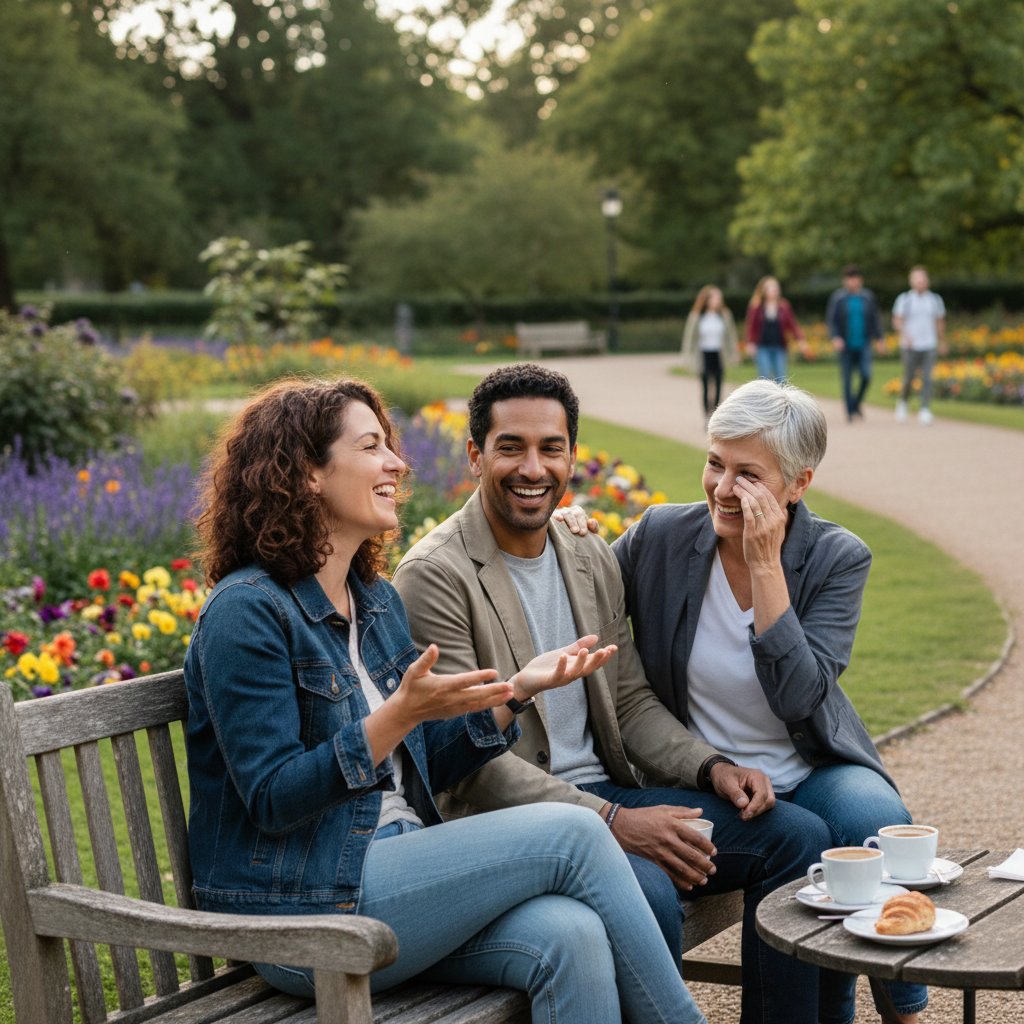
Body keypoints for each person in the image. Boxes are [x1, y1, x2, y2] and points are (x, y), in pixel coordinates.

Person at [183, 376, 706, 1024]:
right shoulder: (247, 612)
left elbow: (428, 757)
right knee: (575, 835)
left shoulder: (372, 600)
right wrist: (394, 716)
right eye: (372, 447)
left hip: (399, 872)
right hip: (304, 908)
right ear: (308, 473)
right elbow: (271, 795)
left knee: (570, 936)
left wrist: (516, 691)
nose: (397, 463)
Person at [393, 363, 835, 1024]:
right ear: (475, 454)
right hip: (515, 824)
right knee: (651, 891)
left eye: (551, 447)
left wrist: (711, 768)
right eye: (510, 447)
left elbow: (628, 702)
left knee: (797, 839)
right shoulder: (435, 576)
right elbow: (472, 762)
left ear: (573, 453)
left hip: (613, 790)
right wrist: (613, 826)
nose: (532, 468)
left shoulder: (586, 554)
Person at [608, 377, 927, 1024]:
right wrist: (570, 531)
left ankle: (905, 1008)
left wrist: (766, 567)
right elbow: (579, 582)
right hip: (701, 777)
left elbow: (799, 696)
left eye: (747, 474)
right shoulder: (659, 537)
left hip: (811, 767)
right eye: (714, 463)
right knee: (802, 848)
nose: (722, 489)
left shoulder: (837, 557)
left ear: (798, 483)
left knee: (873, 820)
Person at [825, 265, 885, 422]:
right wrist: (836, 337)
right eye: (849, 278)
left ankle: (856, 402)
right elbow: (832, 321)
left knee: (866, 375)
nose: (853, 282)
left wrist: (879, 339)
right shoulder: (838, 298)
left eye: (855, 278)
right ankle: (850, 411)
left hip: (864, 343)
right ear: (845, 281)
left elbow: (875, 319)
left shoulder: (867, 297)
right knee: (847, 379)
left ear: (860, 280)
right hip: (845, 345)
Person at [893, 266, 947, 424]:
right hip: (910, 346)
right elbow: (897, 321)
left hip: (929, 344)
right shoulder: (905, 299)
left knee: (927, 378)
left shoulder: (935, 300)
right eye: (918, 279)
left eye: (923, 279)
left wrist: (942, 341)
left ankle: (925, 409)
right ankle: (903, 401)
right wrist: (905, 336)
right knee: (909, 377)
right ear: (912, 281)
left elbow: (939, 322)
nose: (921, 282)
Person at [681, 285, 739, 419]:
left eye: (719, 297)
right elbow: (690, 338)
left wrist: (734, 352)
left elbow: (730, 335)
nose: (718, 300)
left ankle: (716, 414)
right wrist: (686, 357)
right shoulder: (697, 316)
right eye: (715, 297)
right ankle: (707, 414)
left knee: (718, 386)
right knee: (706, 386)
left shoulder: (724, 315)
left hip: (718, 354)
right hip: (704, 355)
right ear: (707, 299)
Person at [744, 276, 806, 383]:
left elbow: (792, 324)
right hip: (763, 346)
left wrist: (800, 339)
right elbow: (751, 326)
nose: (773, 290)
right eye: (770, 287)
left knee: (781, 377)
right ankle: (765, 400)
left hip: (779, 346)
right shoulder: (756, 306)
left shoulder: (783, 306)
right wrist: (750, 342)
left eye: (775, 287)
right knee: (764, 377)